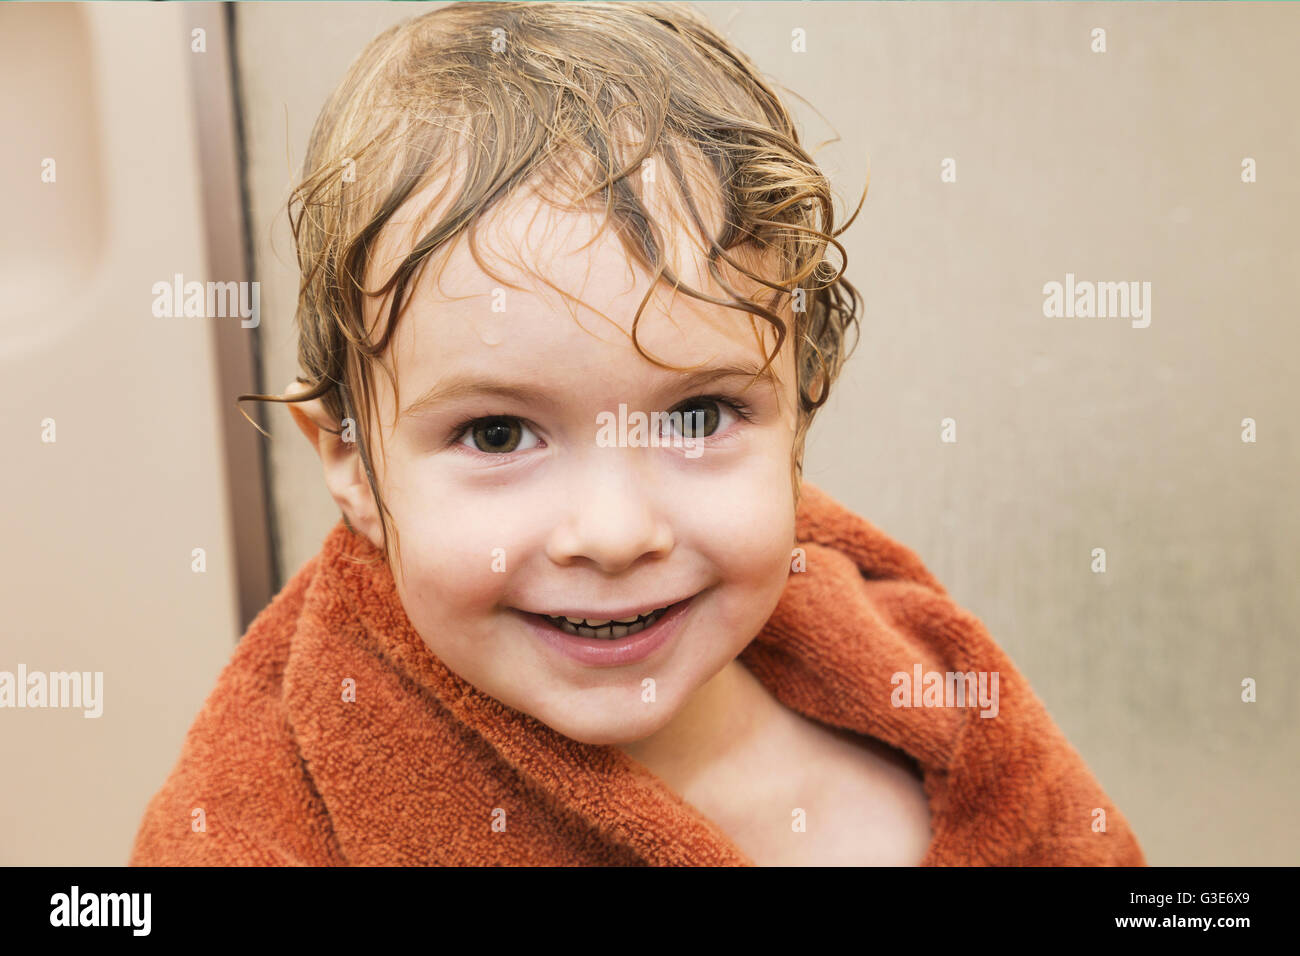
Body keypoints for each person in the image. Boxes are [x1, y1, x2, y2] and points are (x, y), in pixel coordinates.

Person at [130, 1, 1144, 866]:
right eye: (495, 432)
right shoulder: (267, 814)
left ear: (800, 409)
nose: (613, 532)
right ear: (350, 457)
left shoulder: (918, 700)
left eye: (698, 414)